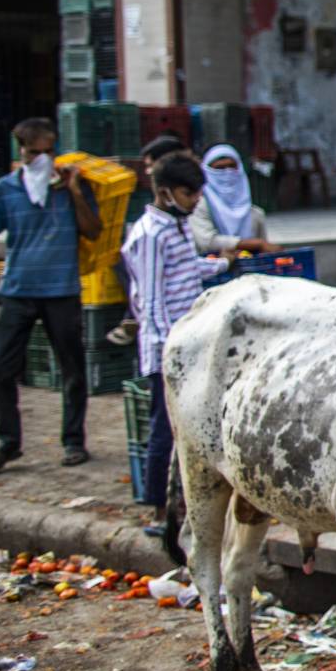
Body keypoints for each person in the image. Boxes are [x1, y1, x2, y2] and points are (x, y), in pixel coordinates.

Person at [0, 117, 102, 473]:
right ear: (22, 153)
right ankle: (7, 441)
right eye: (34, 152)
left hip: (62, 291)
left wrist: (75, 192)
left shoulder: (74, 187)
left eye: (49, 151)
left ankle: (74, 441)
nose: (42, 159)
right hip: (16, 290)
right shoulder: (4, 190)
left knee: (72, 368)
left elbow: (93, 231)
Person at [121, 153, 233, 536]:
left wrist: (220, 265)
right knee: (164, 429)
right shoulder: (149, 235)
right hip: (168, 348)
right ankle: (156, 509)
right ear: (166, 192)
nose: (196, 199)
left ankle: (187, 499)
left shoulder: (177, 226)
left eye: (199, 192)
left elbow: (186, 268)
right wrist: (168, 350)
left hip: (191, 339)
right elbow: (150, 301)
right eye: (189, 192)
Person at [105, 134, 195, 349]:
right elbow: (151, 298)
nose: (147, 172)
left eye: (150, 165)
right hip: (166, 343)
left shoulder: (182, 207)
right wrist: (166, 344)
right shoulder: (152, 233)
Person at [190, 144, 280, 259]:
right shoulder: (198, 205)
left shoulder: (255, 213)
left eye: (232, 167)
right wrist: (255, 244)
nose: (227, 173)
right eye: (220, 168)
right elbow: (207, 242)